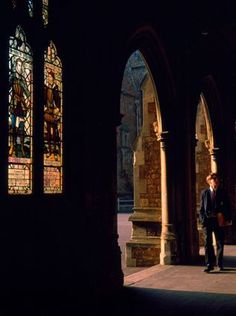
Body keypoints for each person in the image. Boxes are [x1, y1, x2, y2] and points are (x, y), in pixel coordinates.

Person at [199, 172, 232, 272]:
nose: (216, 182)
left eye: (217, 180)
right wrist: (202, 220)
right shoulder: (204, 193)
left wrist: (227, 218)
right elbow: (201, 209)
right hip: (208, 221)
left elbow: (228, 206)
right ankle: (209, 264)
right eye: (214, 181)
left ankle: (220, 264)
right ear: (209, 182)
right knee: (207, 243)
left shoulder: (223, 192)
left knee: (220, 243)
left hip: (219, 221)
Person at [9, 57, 31, 157]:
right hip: (14, 104)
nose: (20, 67)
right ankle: (12, 146)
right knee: (14, 127)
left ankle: (21, 147)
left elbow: (27, 93)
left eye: (21, 66)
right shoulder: (12, 77)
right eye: (18, 65)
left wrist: (29, 101)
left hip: (21, 106)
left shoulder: (23, 80)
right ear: (15, 66)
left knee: (21, 129)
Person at [44, 69, 61, 161]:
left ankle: (54, 152)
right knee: (49, 135)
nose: (49, 78)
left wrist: (58, 109)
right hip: (47, 111)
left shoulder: (56, 88)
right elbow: (43, 99)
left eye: (50, 76)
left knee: (54, 134)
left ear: (53, 78)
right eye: (48, 76)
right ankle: (50, 152)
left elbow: (58, 100)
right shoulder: (45, 87)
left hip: (54, 112)